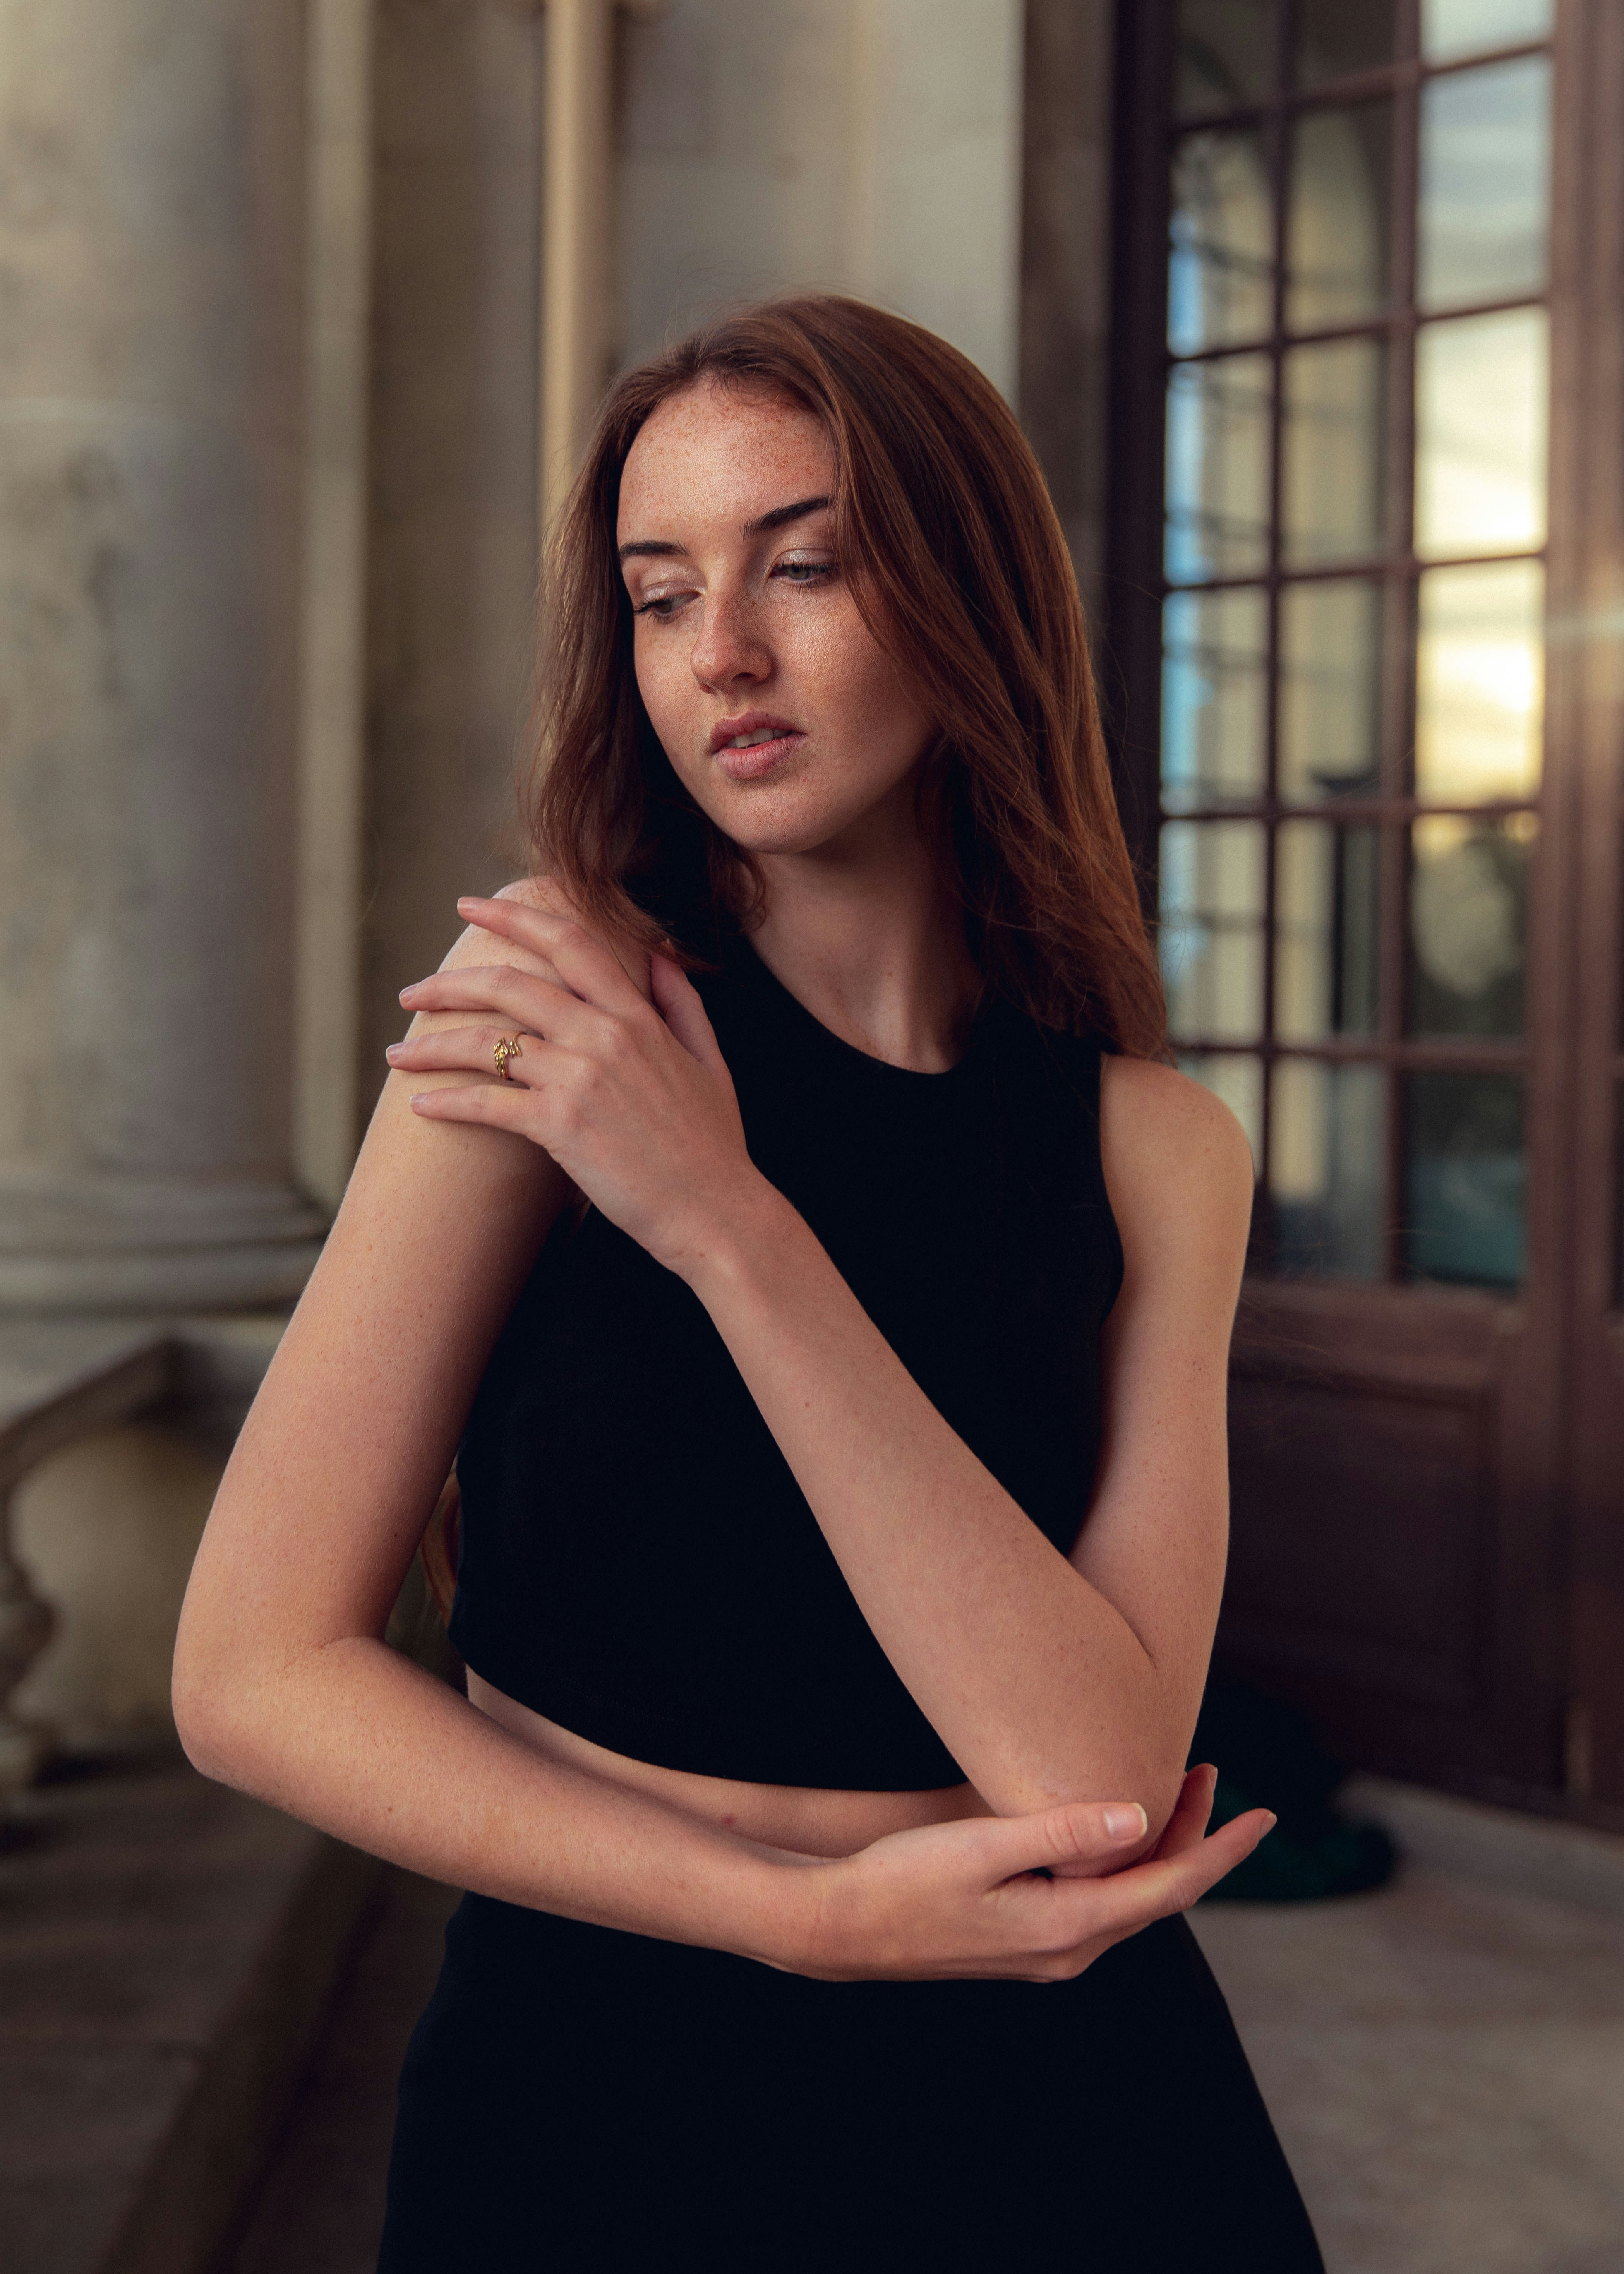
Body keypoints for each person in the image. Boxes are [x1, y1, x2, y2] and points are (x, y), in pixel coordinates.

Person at [174, 295, 1324, 2270]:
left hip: (1068, 2104)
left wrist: (725, 1225)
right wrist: (799, 1920)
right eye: (658, 590)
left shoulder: (1154, 1147)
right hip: (599, 2074)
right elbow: (250, 1675)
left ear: (964, 596)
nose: (721, 653)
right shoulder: (544, 1027)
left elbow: (1100, 1780)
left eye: (804, 564)